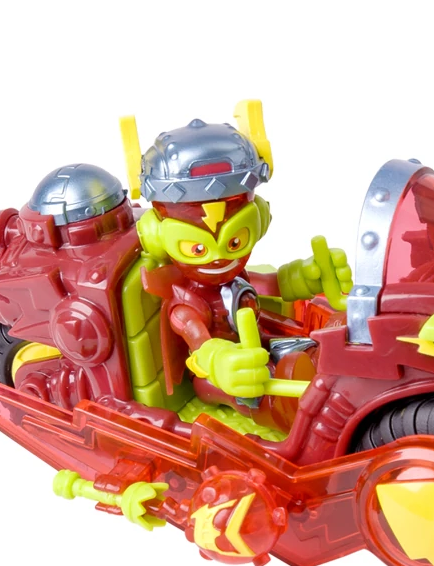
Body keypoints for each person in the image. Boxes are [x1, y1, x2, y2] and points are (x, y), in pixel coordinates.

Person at [126, 104, 352, 409]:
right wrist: (220, 361)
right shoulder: (185, 304)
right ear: (156, 236)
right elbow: (200, 343)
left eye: (235, 241)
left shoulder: (237, 278)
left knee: (316, 349)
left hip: (260, 347)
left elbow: (272, 283)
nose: (218, 258)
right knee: (250, 390)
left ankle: (334, 383)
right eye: (197, 248)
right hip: (219, 378)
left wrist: (306, 276)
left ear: (259, 220)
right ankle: (282, 408)